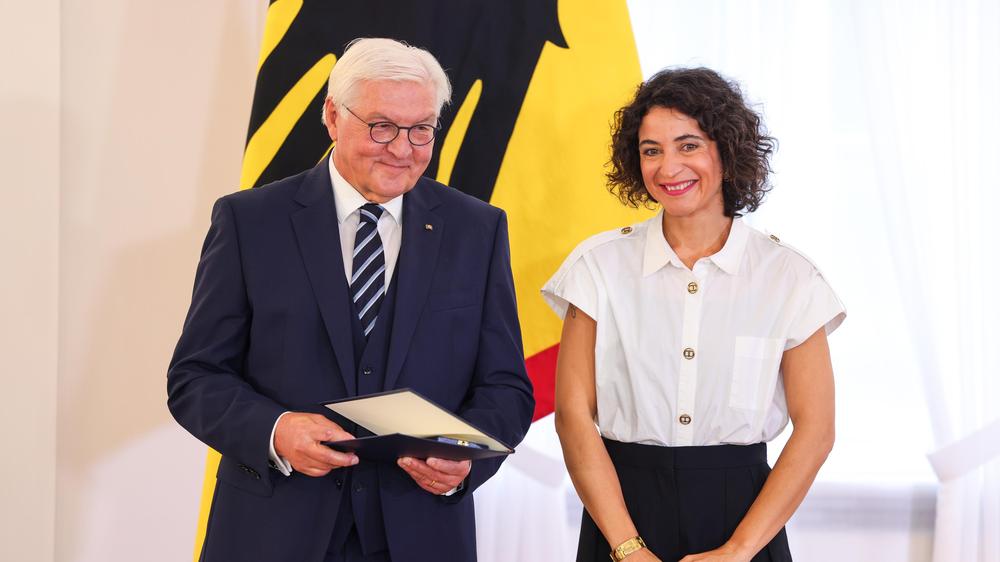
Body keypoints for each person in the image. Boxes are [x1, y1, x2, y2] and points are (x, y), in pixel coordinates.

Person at [167, 38, 534, 562]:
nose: (403, 149)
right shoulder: (248, 221)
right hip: (272, 532)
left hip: (422, 533)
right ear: (333, 116)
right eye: (381, 126)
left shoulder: (479, 228)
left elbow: (506, 385)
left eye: (422, 129)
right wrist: (275, 430)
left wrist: (466, 462)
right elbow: (195, 376)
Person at [542, 68, 845, 562]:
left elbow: (816, 431)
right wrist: (627, 548)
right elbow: (574, 418)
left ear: (726, 152)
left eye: (688, 145)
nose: (667, 168)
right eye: (651, 150)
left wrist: (738, 551)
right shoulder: (596, 267)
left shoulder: (790, 277)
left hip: (744, 521)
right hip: (620, 514)